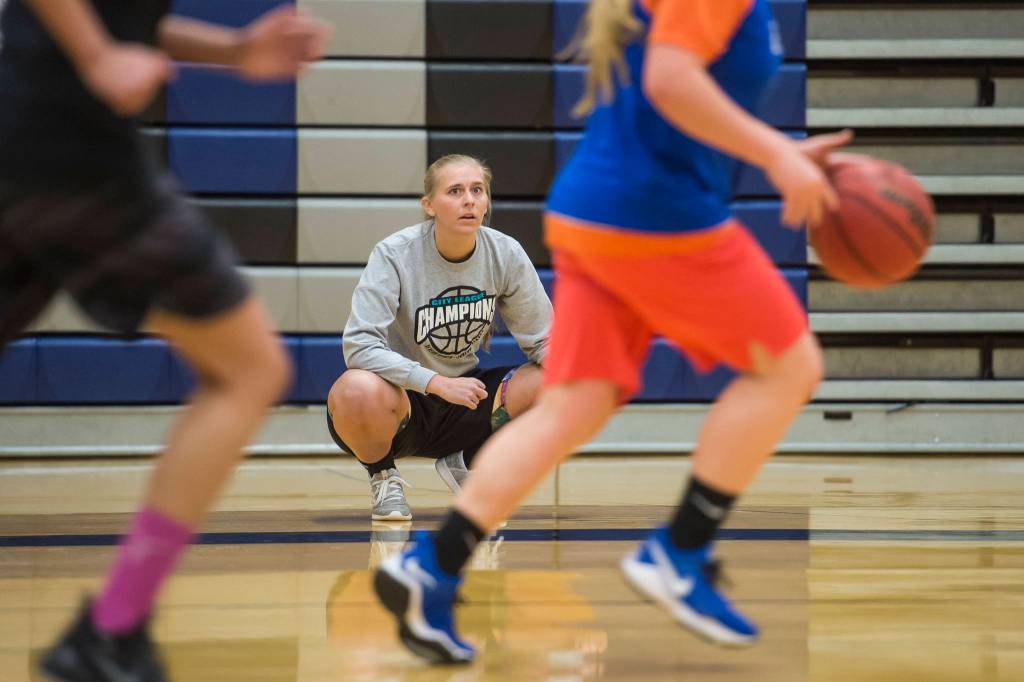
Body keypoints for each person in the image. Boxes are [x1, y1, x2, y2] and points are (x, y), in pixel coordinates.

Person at [373, 0, 853, 663]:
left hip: (596, 211)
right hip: (655, 212)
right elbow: (670, 80)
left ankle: (436, 563)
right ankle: (681, 548)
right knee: (791, 365)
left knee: (576, 403)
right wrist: (779, 153)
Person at [0, 2, 330, 680]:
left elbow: (126, 15)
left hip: (26, 135)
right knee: (250, 369)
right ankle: (112, 628)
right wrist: (95, 56)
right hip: (73, 152)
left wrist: (235, 51)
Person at [326, 154, 551, 521]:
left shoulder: (505, 252)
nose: (469, 200)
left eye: (477, 190)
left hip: (467, 399)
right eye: (455, 191)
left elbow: (543, 340)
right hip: (400, 401)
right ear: (429, 205)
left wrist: (580, 377)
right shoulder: (394, 254)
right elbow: (360, 345)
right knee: (354, 390)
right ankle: (383, 476)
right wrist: (434, 383)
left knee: (557, 383)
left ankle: (467, 461)